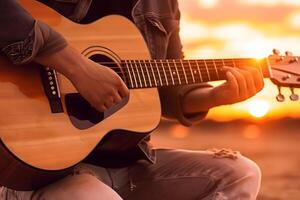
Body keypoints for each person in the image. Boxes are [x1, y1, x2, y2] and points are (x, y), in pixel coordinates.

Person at [0, 0, 264, 199]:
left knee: (241, 173)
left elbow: (167, 90)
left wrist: (217, 96)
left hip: (131, 165)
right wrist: (78, 68)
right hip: (45, 173)